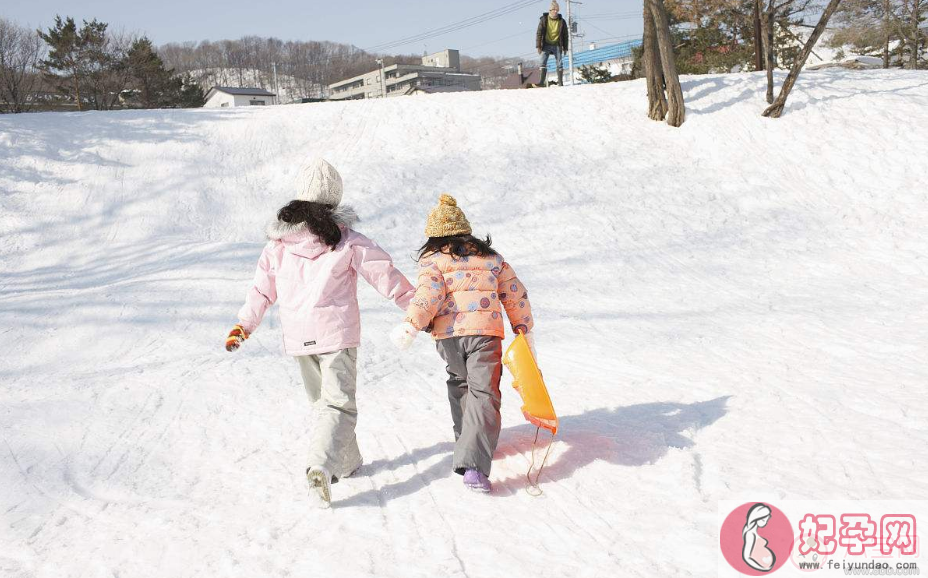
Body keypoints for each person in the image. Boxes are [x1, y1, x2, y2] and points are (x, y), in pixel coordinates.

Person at [225, 158, 415, 506]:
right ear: (334, 199)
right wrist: (420, 308)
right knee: (338, 406)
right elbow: (385, 275)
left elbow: (261, 291)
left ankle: (348, 462)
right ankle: (320, 468)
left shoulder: (278, 245)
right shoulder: (346, 240)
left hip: (299, 338)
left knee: (323, 404)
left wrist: (244, 324)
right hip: (335, 336)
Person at [390, 194, 536, 493]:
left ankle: (468, 443)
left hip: (449, 338)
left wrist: (411, 324)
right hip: (485, 335)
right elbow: (516, 294)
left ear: (434, 237)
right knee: (484, 392)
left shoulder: (433, 261)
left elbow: (427, 296)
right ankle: (474, 461)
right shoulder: (492, 259)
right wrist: (523, 329)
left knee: (461, 383)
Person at [536, 0, 570, 86]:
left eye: (557, 10)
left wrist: (565, 47)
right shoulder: (544, 20)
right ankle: (541, 82)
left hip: (557, 44)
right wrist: (538, 46)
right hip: (546, 44)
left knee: (559, 62)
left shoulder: (562, 21)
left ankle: (561, 82)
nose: (555, 11)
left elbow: (565, 35)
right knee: (542, 61)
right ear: (550, 10)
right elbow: (539, 33)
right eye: (554, 10)